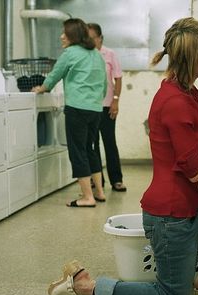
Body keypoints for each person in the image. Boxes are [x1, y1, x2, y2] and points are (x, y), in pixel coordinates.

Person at [46, 17, 198, 295]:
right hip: (171, 216)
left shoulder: (187, 93)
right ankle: (84, 286)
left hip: (190, 201)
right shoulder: (174, 102)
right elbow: (194, 170)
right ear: (189, 58)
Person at [32, 18, 107, 207]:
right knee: (90, 149)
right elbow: (104, 84)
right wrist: (96, 100)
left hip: (77, 109)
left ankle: (87, 197)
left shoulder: (70, 53)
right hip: (95, 109)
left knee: (77, 151)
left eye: (65, 33)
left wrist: (42, 88)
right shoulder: (96, 54)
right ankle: (99, 192)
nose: (61, 36)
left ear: (73, 35)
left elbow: (55, 75)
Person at [87, 23, 127, 192]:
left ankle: (116, 180)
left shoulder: (110, 54)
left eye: (92, 37)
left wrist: (115, 101)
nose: (88, 41)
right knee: (92, 144)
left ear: (100, 38)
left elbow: (117, 78)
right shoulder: (85, 54)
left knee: (109, 142)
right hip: (90, 107)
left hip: (107, 107)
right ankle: (97, 180)